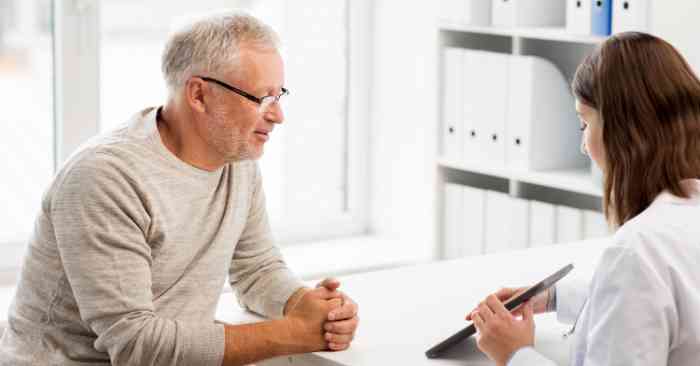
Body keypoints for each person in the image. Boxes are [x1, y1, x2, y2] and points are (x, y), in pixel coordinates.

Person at [0, 11, 359, 366]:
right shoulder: (104, 177)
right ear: (199, 95)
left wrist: (307, 307)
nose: (278, 115)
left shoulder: (237, 161)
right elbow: (136, 344)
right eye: (262, 98)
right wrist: (294, 333)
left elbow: (257, 269)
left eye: (279, 95)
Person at [468, 32, 700, 366]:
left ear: (623, 131)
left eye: (583, 123)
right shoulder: (672, 231)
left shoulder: (636, 251)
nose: (583, 145)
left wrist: (515, 354)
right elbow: (664, 301)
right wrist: (551, 298)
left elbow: (641, 283)